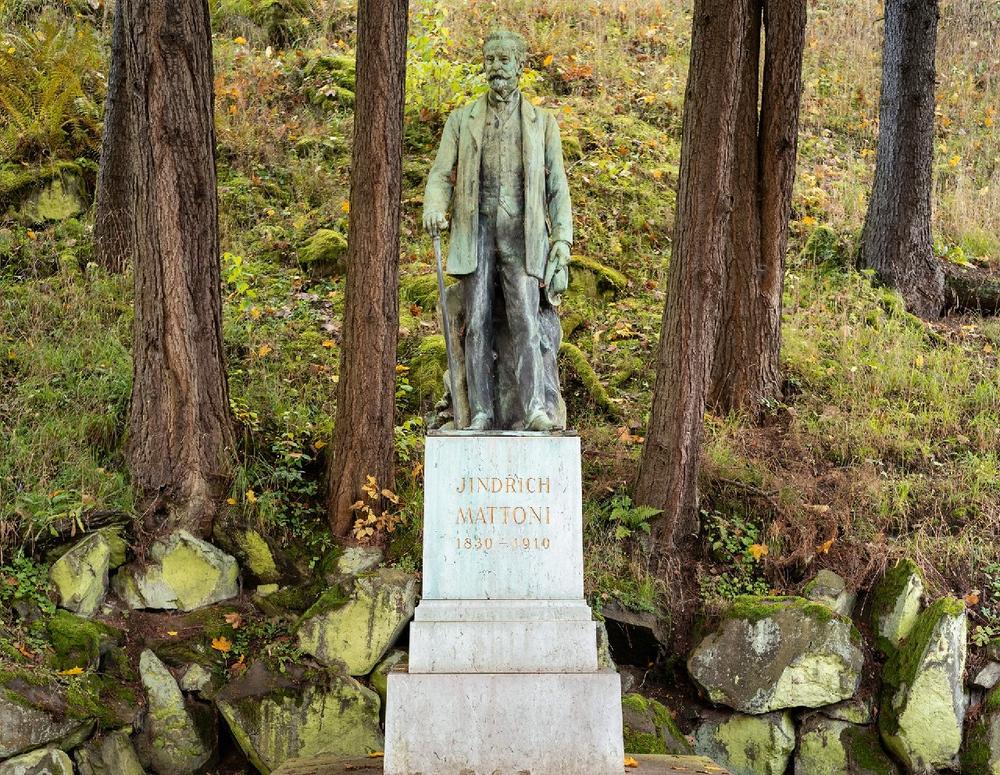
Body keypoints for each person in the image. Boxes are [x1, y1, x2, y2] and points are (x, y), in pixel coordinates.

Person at [423, 29, 572, 432]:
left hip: (524, 237)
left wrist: (562, 238)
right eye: (490, 60)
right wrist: (435, 206)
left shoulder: (543, 124)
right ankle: (481, 412)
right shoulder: (462, 119)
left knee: (525, 320)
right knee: (477, 322)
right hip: (476, 231)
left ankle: (535, 408)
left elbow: (557, 185)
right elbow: (440, 174)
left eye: (504, 60)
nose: (496, 68)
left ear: (520, 65)